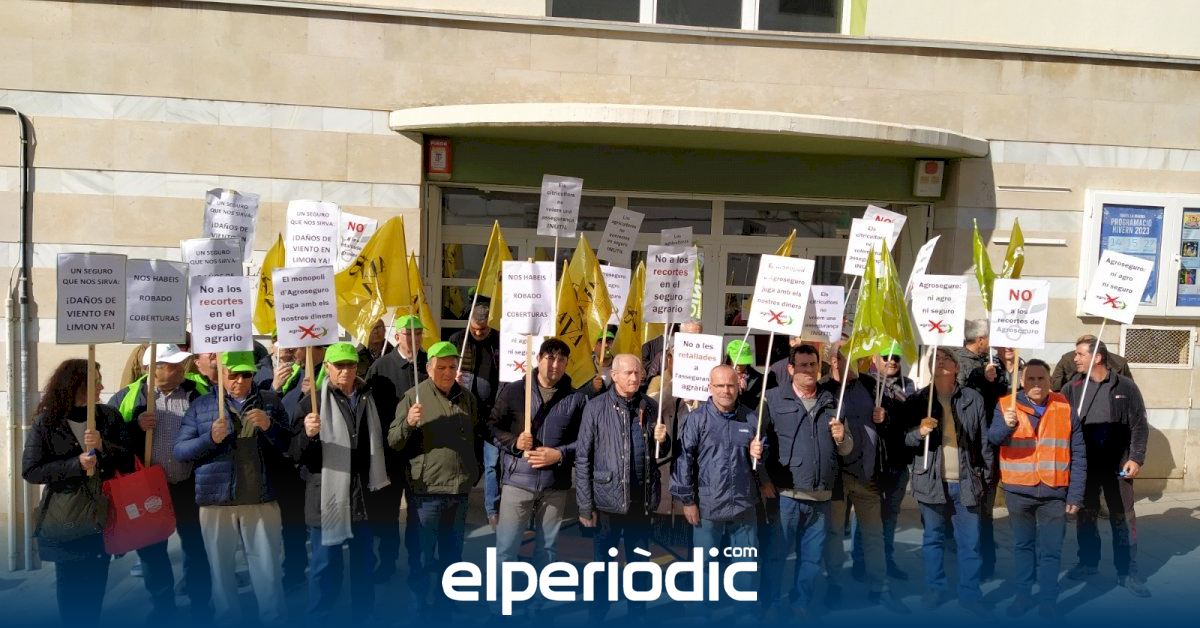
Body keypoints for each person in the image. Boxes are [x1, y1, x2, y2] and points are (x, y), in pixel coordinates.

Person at [174, 351, 291, 626]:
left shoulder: (270, 401)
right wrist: (210, 439)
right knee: (221, 572)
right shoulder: (202, 405)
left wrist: (270, 427)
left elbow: (289, 445)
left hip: (260, 497)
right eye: (233, 374)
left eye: (246, 374)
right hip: (216, 500)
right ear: (221, 374)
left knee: (268, 571)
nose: (240, 380)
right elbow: (180, 451)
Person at [23, 359, 132, 624]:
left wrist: (103, 446)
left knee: (96, 581)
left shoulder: (108, 416)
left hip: (103, 514)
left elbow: (128, 461)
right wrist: (76, 465)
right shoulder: (47, 423)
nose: (101, 387)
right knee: (70, 585)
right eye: (95, 382)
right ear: (75, 385)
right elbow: (31, 470)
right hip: (67, 517)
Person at [108, 344, 212, 621]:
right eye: (171, 365)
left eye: (180, 364)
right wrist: (134, 427)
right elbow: (109, 442)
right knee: (152, 553)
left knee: (197, 546)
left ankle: (201, 605)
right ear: (151, 369)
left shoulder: (198, 393)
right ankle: (163, 608)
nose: (180, 369)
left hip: (190, 484)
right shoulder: (127, 398)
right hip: (147, 491)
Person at [291, 343, 391, 626]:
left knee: (364, 563)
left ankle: (364, 615)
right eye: (340, 365)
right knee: (324, 566)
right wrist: (308, 435)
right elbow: (295, 454)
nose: (346, 371)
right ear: (327, 368)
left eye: (351, 365)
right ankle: (319, 618)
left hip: (362, 496)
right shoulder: (310, 403)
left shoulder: (368, 397)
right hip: (327, 496)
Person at [389, 341, 486, 616]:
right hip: (426, 492)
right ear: (429, 368)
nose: (447, 372)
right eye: (441, 367)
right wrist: (408, 422)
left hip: (459, 490)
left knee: (452, 554)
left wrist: (475, 469)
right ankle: (419, 607)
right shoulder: (413, 397)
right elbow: (393, 441)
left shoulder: (467, 398)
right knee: (421, 554)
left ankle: (446, 603)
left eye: (452, 367)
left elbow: (477, 435)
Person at [758, 345, 852, 620]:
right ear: (791, 369)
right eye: (803, 365)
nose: (809, 370)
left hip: (821, 495)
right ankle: (770, 603)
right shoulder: (772, 399)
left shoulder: (833, 401)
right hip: (785, 494)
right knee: (776, 555)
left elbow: (847, 448)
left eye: (813, 364)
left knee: (811, 558)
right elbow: (756, 445)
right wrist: (763, 479)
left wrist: (842, 437)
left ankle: (801, 603)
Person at [488, 338, 587, 599]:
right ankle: (500, 603)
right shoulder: (514, 390)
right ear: (539, 359)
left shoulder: (576, 398)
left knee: (548, 549)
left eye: (562, 360)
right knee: (507, 548)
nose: (555, 364)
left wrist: (559, 454)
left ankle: (541, 603)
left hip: (555, 485)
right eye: (550, 358)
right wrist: (514, 442)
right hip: (517, 482)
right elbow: (491, 427)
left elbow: (585, 441)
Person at [988, 359, 1086, 618]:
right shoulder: (1005, 405)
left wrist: (1075, 494)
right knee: (1023, 547)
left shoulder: (1065, 407)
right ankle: (1022, 597)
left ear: (1049, 381)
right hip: (1018, 491)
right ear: (1021, 382)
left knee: (1051, 551)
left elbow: (1078, 453)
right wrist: (1007, 425)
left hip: (1054, 493)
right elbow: (994, 438)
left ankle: (1048, 601)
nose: (1036, 383)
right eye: (1030, 379)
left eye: (1041, 378)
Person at [575, 353, 668, 621]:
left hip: (641, 500)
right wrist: (585, 506)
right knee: (603, 564)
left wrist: (663, 439)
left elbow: (660, 453)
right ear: (614, 375)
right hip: (607, 501)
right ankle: (597, 614)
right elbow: (583, 458)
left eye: (638, 372)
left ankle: (637, 614)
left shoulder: (650, 406)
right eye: (628, 373)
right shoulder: (595, 408)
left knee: (639, 563)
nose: (634, 377)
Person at [904, 347, 993, 616]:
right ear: (930, 367)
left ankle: (970, 594)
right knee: (933, 539)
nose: (941, 362)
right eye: (936, 359)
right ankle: (935, 589)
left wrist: (986, 477)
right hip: (931, 482)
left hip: (966, 482)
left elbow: (983, 441)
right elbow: (905, 440)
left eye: (946, 359)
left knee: (970, 544)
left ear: (956, 367)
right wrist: (920, 432)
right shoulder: (919, 400)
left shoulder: (972, 398)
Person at [820, 345, 908, 613]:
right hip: (835, 478)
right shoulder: (823, 389)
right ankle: (833, 584)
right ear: (831, 361)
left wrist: (885, 416)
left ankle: (879, 587)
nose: (845, 362)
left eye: (850, 356)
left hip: (867, 475)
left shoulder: (872, 385)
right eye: (839, 357)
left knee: (873, 534)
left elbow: (897, 419)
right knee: (834, 534)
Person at [1062, 338, 1150, 597]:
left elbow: (1139, 425)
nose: (1075, 359)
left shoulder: (1126, 387)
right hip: (1084, 466)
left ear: (1097, 357)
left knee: (1122, 517)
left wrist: (1136, 458)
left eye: (1080, 354)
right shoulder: (1071, 388)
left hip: (1118, 466)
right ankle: (1088, 563)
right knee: (1086, 516)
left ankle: (1127, 571)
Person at [670, 365, 760, 601]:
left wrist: (760, 452)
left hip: (743, 503)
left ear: (738, 387)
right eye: (720, 385)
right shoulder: (696, 420)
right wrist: (687, 501)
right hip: (708, 505)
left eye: (730, 385)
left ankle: (745, 611)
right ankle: (703, 610)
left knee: (746, 562)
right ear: (710, 387)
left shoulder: (750, 417)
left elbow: (761, 459)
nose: (725, 391)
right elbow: (683, 461)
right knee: (705, 563)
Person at [364, 314, 428, 583]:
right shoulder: (380, 367)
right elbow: (368, 408)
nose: (414, 338)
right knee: (387, 513)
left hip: (422, 454)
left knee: (418, 514)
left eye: (418, 333)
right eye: (408, 333)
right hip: (390, 454)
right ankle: (387, 561)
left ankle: (417, 564)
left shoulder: (429, 364)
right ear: (397, 336)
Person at [951, 319, 1005, 580]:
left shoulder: (990, 362)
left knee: (983, 509)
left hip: (987, 443)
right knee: (976, 509)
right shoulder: (961, 362)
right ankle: (977, 560)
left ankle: (984, 559)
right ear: (981, 339)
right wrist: (981, 378)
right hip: (970, 446)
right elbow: (961, 398)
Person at [856, 346, 916, 581]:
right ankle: (861, 562)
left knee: (890, 516)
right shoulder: (865, 384)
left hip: (898, 462)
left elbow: (910, 416)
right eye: (886, 357)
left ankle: (886, 560)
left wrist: (888, 416)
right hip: (873, 462)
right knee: (868, 517)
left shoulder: (907, 385)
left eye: (896, 357)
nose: (892, 361)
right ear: (875, 358)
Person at [448, 304, 501, 528]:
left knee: (492, 463)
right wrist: (452, 378)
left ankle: (492, 510)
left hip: (491, 414)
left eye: (483, 329)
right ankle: (457, 505)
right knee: (462, 461)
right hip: (463, 412)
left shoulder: (499, 340)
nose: (479, 333)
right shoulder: (457, 339)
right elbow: (444, 370)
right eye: (475, 328)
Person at [1049, 334, 1133, 392]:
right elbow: (1055, 385)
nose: (1076, 359)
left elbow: (1129, 389)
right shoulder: (1067, 359)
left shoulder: (1119, 363)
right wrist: (1075, 374)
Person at [727, 339, 773, 412]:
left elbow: (760, 406)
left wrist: (745, 394)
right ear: (729, 359)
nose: (739, 365)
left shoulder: (760, 379)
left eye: (743, 362)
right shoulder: (719, 376)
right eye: (736, 361)